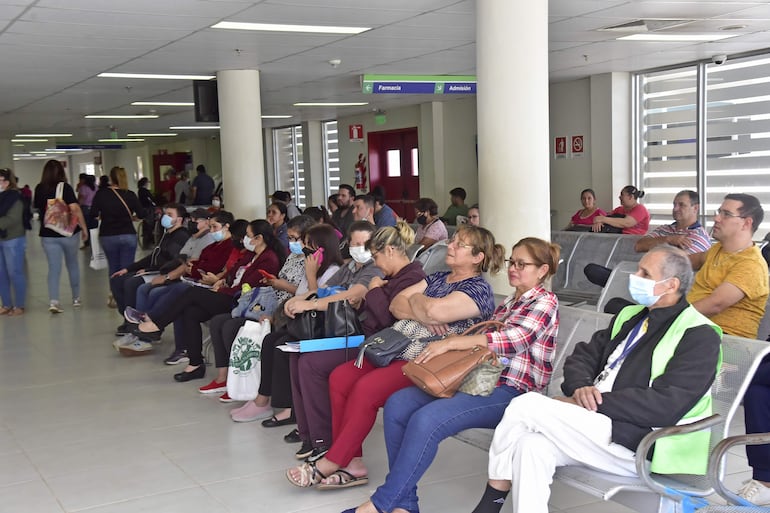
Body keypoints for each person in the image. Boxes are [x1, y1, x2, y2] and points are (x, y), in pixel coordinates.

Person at [469, 245, 722, 513]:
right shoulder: (631, 316)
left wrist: (590, 404)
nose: (634, 276)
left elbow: (666, 405)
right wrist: (580, 388)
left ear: (670, 285)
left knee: (526, 405)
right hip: (595, 427)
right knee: (531, 445)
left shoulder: (698, 334)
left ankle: (491, 501)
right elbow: (582, 356)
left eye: (644, 273)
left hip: (644, 441)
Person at [337, 234, 558, 513]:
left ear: (542, 270)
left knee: (428, 419)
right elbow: (403, 305)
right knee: (398, 404)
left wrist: (452, 341)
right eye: (512, 262)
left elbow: (514, 340)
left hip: (512, 392)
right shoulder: (509, 304)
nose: (513, 268)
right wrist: (425, 307)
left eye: (522, 264)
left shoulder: (545, 302)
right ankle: (404, 504)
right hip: (479, 382)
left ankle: (381, 504)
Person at [290, 225, 502, 491]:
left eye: (460, 245)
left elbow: (431, 309)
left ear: (477, 257)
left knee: (366, 388)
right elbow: (396, 305)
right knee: (341, 377)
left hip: (430, 359)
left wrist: (419, 304)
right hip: (397, 346)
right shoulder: (438, 278)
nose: (451, 246)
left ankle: (332, 461)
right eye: (453, 241)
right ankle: (353, 462)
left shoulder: (479, 289)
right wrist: (423, 310)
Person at [284, 222, 424, 465]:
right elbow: (336, 294)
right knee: (296, 354)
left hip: (380, 345)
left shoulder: (412, 276)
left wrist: (373, 290)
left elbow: (387, 316)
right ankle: (311, 435)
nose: (376, 262)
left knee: (312, 363)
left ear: (389, 251)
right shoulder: (387, 275)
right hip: (366, 337)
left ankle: (323, 440)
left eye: (376, 255)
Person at [135, 220, 284, 380]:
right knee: (190, 312)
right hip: (229, 294)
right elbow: (233, 273)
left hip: (241, 302)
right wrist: (222, 281)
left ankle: (158, 323)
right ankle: (195, 364)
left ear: (259, 238)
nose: (244, 240)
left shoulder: (269, 259)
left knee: (192, 293)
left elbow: (248, 287)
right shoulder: (251, 254)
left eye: (248, 236)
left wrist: (222, 288)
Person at [227, 223, 345, 423]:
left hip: (319, 327)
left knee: (280, 347)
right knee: (269, 340)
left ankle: (287, 406)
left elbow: (315, 300)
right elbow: (299, 295)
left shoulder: (333, 271)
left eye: (311, 247)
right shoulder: (313, 267)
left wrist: (310, 275)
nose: (306, 251)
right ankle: (262, 398)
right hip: (298, 322)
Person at [196, 214, 317, 401]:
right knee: (219, 321)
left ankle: (246, 382)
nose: (291, 242)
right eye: (290, 238)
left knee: (232, 327)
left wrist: (280, 285)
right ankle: (224, 377)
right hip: (271, 303)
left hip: (286, 310)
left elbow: (308, 291)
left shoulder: (311, 260)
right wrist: (272, 282)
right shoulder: (293, 256)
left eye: (295, 239)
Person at [119, 211, 236, 357]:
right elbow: (194, 265)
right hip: (193, 280)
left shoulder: (229, 247)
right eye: (210, 227)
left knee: (180, 295)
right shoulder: (211, 245)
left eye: (214, 227)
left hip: (209, 287)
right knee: (156, 291)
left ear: (226, 227)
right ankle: (150, 327)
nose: (211, 231)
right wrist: (196, 269)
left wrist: (197, 270)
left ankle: (153, 321)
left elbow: (208, 268)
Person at [584, 190, 711, 288]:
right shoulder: (665, 230)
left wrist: (657, 247)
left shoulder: (698, 235)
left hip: (665, 286)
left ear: (695, 208)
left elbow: (679, 264)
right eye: (674, 205)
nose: (675, 209)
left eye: (681, 205)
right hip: (643, 275)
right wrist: (669, 240)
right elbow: (639, 245)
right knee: (593, 270)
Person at [687, 193, 768, 339]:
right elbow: (694, 260)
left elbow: (715, 305)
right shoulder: (718, 249)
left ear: (746, 223)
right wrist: (665, 261)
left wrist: (669, 316)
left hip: (725, 343)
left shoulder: (751, 264)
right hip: (695, 330)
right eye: (719, 212)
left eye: (726, 214)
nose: (716, 218)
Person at [110, 203, 190, 335]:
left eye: (170, 215)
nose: (165, 217)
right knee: (117, 280)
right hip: (152, 270)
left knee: (131, 283)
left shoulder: (180, 236)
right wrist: (128, 268)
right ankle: (127, 316)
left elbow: (173, 261)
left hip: (163, 272)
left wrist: (149, 269)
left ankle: (134, 324)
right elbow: (153, 256)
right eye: (165, 214)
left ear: (179, 219)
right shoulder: (166, 234)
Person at [34, 159, 88, 313]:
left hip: (48, 234)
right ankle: (76, 298)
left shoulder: (39, 188)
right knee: (72, 265)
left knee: (53, 268)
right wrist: (84, 228)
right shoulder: (65, 187)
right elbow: (75, 209)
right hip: (68, 233)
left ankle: (54, 301)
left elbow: (39, 207)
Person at [89, 166, 142, 276]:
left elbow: (93, 213)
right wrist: (133, 218)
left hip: (108, 235)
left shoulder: (101, 194)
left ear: (110, 178)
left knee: (113, 267)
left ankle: (114, 292)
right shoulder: (130, 194)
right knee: (127, 268)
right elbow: (142, 214)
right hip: (128, 235)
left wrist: (101, 216)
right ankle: (126, 291)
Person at [0, 168, 27, 315]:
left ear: (8, 182)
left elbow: (13, 219)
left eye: (1, 180)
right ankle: (6, 304)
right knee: (1, 273)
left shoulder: (15, 197)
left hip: (13, 239)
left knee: (14, 272)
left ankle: (20, 305)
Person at [136, 177, 157, 248]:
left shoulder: (140, 190)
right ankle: (150, 241)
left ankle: (146, 243)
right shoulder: (145, 191)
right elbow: (152, 199)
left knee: (146, 225)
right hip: (148, 209)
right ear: (145, 183)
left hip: (143, 208)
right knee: (150, 225)